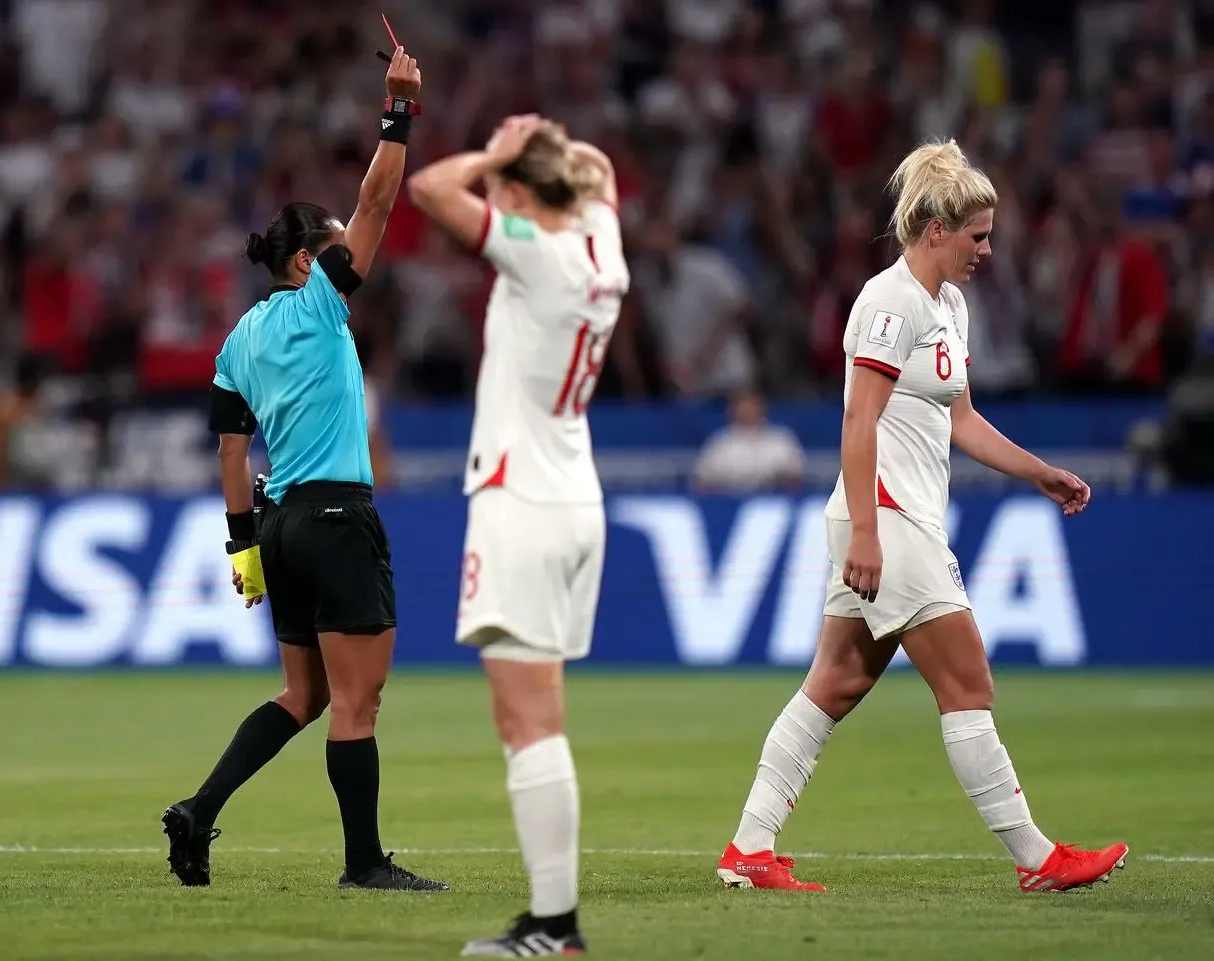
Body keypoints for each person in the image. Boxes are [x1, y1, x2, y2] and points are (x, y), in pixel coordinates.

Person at [716, 140, 1129, 894]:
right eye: (977, 234)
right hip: (889, 517)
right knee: (969, 681)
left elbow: (961, 420)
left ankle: (749, 846)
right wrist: (869, 529)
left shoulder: (949, 305)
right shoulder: (888, 301)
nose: (988, 248)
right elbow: (857, 421)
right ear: (935, 229)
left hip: (899, 517)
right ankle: (1038, 858)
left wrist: (1039, 472)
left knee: (834, 682)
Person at [161, 47, 448, 893]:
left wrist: (243, 549)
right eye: (330, 251)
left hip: (280, 527)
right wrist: (398, 109)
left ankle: (199, 809)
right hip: (335, 518)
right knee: (359, 704)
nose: (345, 259)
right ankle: (363, 863)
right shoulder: (323, 299)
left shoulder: (236, 341)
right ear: (305, 264)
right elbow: (378, 199)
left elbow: (229, 450)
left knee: (304, 695)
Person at [407, 115, 628, 956]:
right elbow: (601, 174)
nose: (493, 197)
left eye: (504, 189)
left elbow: (432, 190)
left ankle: (554, 925)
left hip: (521, 502)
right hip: (574, 495)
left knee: (526, 723)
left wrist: (499, 151)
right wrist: (554, 152)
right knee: (540, 718)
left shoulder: (538, 254)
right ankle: (551, 920)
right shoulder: (605, 250)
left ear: (525, 196)